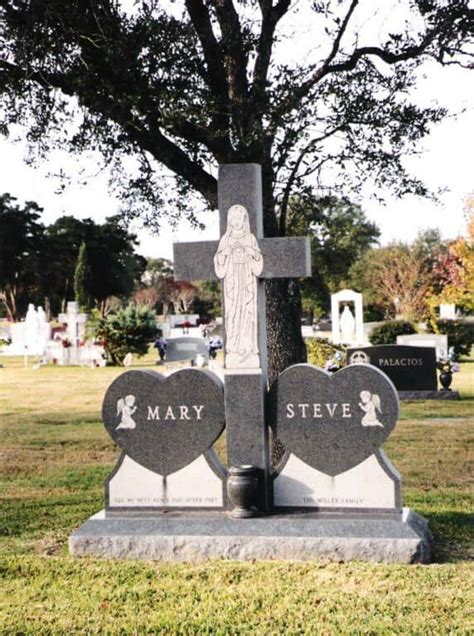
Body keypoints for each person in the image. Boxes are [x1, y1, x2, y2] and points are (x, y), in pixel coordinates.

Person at [214, 204, 263, 368]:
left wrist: (252, 253)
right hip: (232, 286)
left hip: (247, 283)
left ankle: (247, 348)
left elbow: (258, 262)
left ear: (245, 219)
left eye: (239, 218)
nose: (236, 222)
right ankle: (234, 349)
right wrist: (224, 254)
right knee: (233, 316)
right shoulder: (225, 239)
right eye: (233, 219)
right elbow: (219, 263)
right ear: (229, 220)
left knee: (247, 315)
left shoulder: (251, 238)